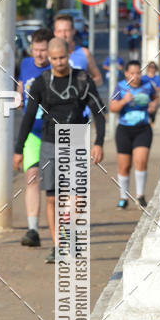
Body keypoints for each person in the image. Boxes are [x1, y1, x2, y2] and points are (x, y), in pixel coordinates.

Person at [13, 37, 105, 264]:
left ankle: (69, 238)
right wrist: (19, 149)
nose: (58, 62)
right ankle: (57, 246)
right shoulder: (42, 82)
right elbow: (27, 117)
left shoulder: (82, 80)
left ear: (68, 55)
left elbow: (98, 113)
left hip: (75, 139)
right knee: (52, 198)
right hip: (49, 142)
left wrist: (99, 142)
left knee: (74, 197)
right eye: (54, 59)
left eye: (62, 57)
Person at [16, 27, 52, 247]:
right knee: (32, 178)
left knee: (56, 186)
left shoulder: (56, 67)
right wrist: (18, 97)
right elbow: (21, 83)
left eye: (43, 50)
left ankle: (65, 232)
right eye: (36, 50)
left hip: (53, 132)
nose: (38, 54)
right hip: (31, 131)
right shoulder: (26, 64)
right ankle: (32, 230)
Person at [110, 59, 159, 209]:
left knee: (141, 161)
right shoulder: (120, 87)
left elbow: (155, 98)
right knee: (124, 166)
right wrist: (124, 101)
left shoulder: (147, 85)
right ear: (126, 73)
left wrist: (153, 106)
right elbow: (112, 107)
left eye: (138, 73)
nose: (135, 76)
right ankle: (123, 198)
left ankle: (140, 196)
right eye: (132, 73)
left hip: (143, 129)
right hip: (124, 130)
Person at [53, 13, 103, 87]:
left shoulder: (84, 53)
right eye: (60, 31)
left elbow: (99, 79)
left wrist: (85, 87)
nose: (63, 35)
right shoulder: (48, 55)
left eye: (66, 30)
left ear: (73, 31)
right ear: (55, 33)